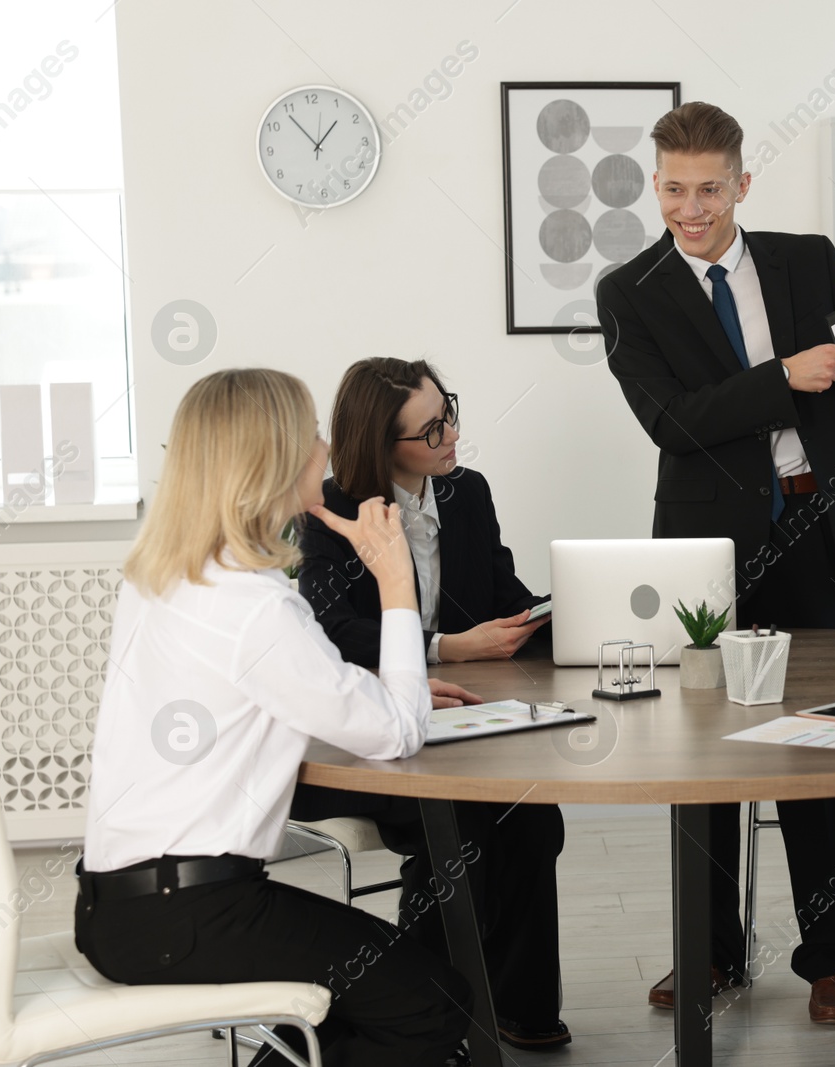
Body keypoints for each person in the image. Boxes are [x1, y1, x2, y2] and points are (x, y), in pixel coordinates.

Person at [596, 100, 835, 1022]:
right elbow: (669, 422)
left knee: (823, 747)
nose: (691, 208)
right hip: (706, 551)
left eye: (709, 189)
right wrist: (780, 378)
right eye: (674, 189)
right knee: (705, 756)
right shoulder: (627, 290)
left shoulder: (803, 260)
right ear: (657, 185)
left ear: (741, 184)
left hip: (816, 528)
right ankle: (708, 954)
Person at [78, 368, 471, 1067]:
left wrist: (359, 685)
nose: (326, 448)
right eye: (313, 434)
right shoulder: (256, 607)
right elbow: (399, 732)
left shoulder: (167, 577)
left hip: (119, 906)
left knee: (360, 996)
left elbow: (273, 695)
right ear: (278, 458)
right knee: (431, 1002)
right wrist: (394, 581)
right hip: (192, 912)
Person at [295, 357, 570, 1052]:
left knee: (534, 817)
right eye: (431, 429)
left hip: (457, 716)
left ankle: (520, 1006)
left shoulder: (466, 492)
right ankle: (426, 1015)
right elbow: (330, 626)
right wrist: (444, 645)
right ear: (382, 446)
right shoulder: (331, 513)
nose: (452, 435)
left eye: (448, 411)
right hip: (361, 734)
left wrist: (552, 618)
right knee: (463, 825)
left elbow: (502, 592)